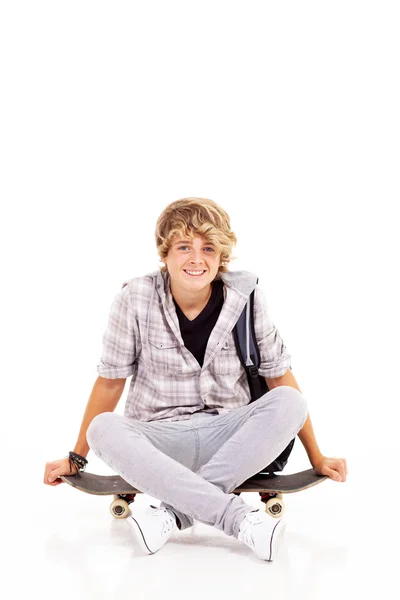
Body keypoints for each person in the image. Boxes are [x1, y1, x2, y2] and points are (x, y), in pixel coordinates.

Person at [44, 197, 347, 562]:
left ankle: (173, 514)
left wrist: (316, 456)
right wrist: (77, 458)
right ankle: (240, 521)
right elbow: (110, 381)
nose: (196, 259)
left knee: (291, 402)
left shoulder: (246, 297)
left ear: (222, 257)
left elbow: (278, 375)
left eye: (208, 248)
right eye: (184, 247)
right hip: (159, 442)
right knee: (103, 428)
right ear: (165, 253)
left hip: (231, 439)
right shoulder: (134, 298)